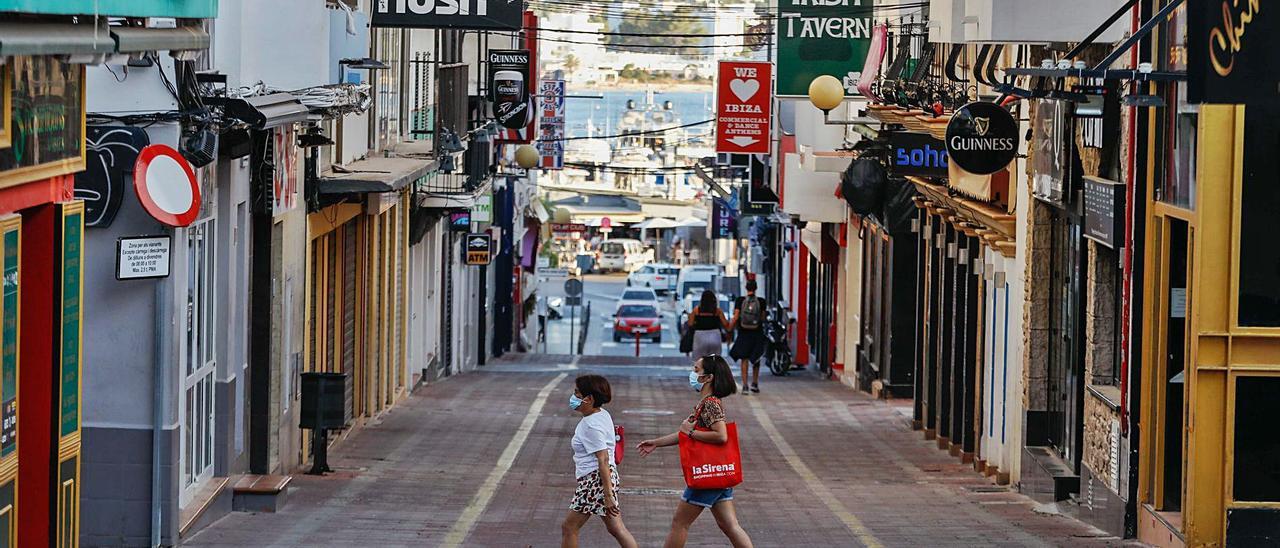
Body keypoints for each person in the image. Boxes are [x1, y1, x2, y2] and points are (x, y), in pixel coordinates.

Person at [637, 355, 753, 548]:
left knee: (680, 523)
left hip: (706, 475)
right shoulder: (705, 403)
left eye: (696, 370)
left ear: (708, 378)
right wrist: (656, 442)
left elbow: (720, 435)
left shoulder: (710, 404)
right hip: (718, 474)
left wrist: (690, 432)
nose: (692, 374)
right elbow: (684, 432)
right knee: (729, 525)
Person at [562, 375, 638, 548]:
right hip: (603, 478)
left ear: (589, 399)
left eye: (577, 393)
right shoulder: (602, 415)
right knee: (617, 528)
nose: (573, 397)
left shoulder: (591, 425)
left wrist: (608, 494)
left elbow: (602, 459)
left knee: (569, 527)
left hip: (595, 480)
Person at [730, 280, 767, 393]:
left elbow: (736, 316)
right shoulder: (761, 301)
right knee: (756, 358)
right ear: (756, 288)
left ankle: (745, 385)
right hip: (756, 332)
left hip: (743, 332)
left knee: (744, 359)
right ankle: (754, 383)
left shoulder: (740, 300)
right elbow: (763, 318)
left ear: (746, 288)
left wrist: (730, 327)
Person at [686, 290, 731, 359]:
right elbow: (725, 324)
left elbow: (690, 323)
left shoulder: (697, 310)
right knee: (714, 361)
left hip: (700, 337)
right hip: (715, 336)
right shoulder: (717, 311)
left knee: (700, 362)